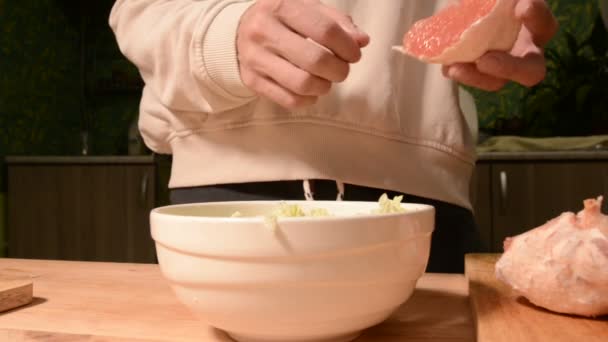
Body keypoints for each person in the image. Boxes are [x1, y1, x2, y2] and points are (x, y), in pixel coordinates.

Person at [109, 0, 557, 273]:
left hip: (425, 203)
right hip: (231, 192)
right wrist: (224, 37)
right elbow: (140, 10)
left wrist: (501, 20)